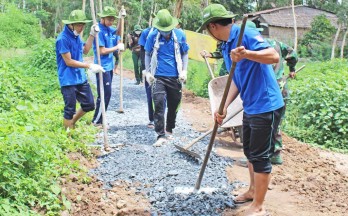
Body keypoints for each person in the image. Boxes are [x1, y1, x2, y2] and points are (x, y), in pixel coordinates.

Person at [199, 4, 284, 216]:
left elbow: (273, 56)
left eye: (208, 30)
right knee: (249, 152)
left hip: (267, 104)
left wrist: (247, 54)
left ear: (213, 26)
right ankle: (252, 191)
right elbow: (236, 79)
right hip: (251, 105)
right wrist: (224, 106)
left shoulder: (245, 33)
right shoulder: (227, 45)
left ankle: (259, 205)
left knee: (260, 156)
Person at [246, 21, 299, 165]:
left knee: (263, 124)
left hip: (266, 90)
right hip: (281, 88)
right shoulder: (276, 43)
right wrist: (292, 69)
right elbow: (293, 54)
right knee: (277, 123)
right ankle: (274, 154)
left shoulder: (250, 46)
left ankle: (263, 157)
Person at [144, 9, 189, 146]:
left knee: (174, 104)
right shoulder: (153, 36)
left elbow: (185, 53)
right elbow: (147, 53)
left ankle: (169, 128)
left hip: (175, 77)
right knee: (158, 103)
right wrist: (148, 72)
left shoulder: (180, 35)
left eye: (167, 30)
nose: (165, 33)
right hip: (158, 76)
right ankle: (160, 134)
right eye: (163, 30)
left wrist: (184, 71)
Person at [56, 10, 105, 130]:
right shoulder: (62, 39)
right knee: (70, 109)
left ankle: (72, 122)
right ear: (70, 24)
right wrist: (89, 65)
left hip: (80, 78)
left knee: (89, 104)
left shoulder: (76, 36)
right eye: (79, 25)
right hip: (68, 79)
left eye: (83, 24)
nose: (81, 27)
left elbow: (85, 50)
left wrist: (92, 35)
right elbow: (69, 61)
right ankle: (67, 137)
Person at [91, 6, 125, 127]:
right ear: (103, 18)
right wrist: (117, 48)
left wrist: (121, 19)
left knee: (107, 93)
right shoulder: (99, 30)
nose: (111, 22)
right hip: (102, 67)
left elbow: (118, 32)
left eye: (112, 20)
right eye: (109, 19)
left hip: (109, 67)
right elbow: (102, 51)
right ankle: (97, 120)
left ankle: (100, 119)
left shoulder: (109, 29)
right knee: (105, 93)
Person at [139, 25, 156, 128]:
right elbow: (143, 51)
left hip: (162, 69)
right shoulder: (147, 32)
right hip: (149, 68)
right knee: (150, 94)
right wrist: (145, 69)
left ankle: (161, 118)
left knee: (162, 96)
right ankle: (152, 119)